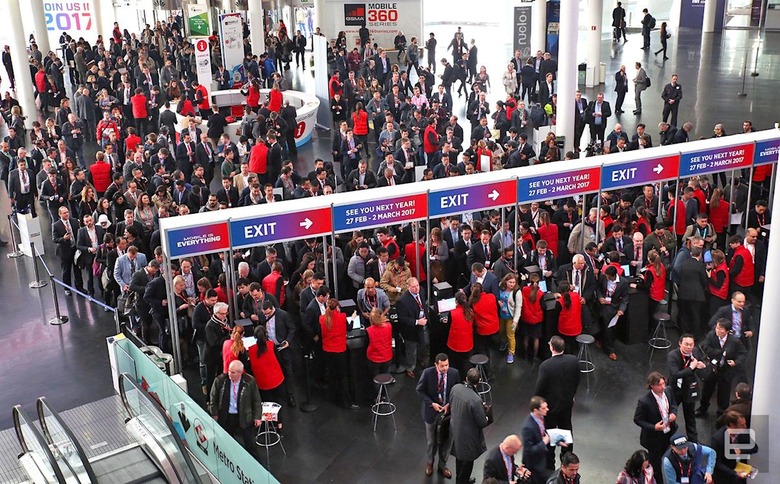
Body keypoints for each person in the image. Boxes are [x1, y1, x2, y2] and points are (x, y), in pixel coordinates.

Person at [535, 336, 579, 468]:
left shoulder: (546, 366)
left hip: (551, 407)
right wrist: (572, 395)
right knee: (566, 428)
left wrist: (537, 406)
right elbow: (577, 379)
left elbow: (540, 389)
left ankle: (550, 462)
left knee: (550, 432)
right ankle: (567, 457)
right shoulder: (573, 360)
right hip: (566, 404)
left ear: (551, 348)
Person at [415, 352, 460, 478]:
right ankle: (430, 463)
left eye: (447, 365)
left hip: (448, 414)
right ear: (436, 365)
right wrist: (431, 403)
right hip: (432, 413)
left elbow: (457, 391)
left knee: (448, 440)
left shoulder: (454, 373)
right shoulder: (427, 373)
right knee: (431, 441)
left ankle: (442, 465)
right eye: (442, 366)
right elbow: (419, 390)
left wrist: (449, 404)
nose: (445, 368)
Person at [208, 360, 262, 460]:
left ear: (240, 373)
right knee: (227, 441)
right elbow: (213, 397)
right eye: (229, 371)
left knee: (250, 443)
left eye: (233, 372)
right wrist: (214, 413)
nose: (229, 374)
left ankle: (256, 463)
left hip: (244, 416)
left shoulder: (250, 381)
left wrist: (257, 417)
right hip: (227, 416)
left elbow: (257, 400)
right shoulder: (220, 380)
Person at [697, 319, 747, 418]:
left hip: (726, 370)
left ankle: (721, 413)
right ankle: (703, 408)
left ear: (727, 331)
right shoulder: (711, 335)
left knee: (724, 393)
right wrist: (720, 352)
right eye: (717, 328)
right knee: (707, 390)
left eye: (721, 329)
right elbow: (704, 347)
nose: (718, 330)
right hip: (712, 368)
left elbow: (743, 353)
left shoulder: (734, 341)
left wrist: (736, 362)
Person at [633, 372, 678, 481]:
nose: (663, 387)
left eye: (663, 383)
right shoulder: (644, 402)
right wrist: (654, 427)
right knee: (656, 463)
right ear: (652, 385)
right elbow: (637, 419)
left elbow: (673, 404)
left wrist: (673, 413)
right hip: (654, 438)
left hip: (669, 432)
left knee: (665, 454)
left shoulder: (668, 390)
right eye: (659, 385)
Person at [449, 368, 489, 484]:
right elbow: (482, 422)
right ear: (479, 380)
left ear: (466, 379)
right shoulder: (476, 400)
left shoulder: (455, 388)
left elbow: (451, 403)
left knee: (459, 458)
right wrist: (486, 417)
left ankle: (460, 478)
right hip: (469, 437)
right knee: (467, 463)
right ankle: (463, 481)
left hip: (455, 429)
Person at [667, 334, 707, 444]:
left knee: (690, 416)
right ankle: (668, 436)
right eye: (686, 344)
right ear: (680, 344)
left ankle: (693, 440)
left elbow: (702, 360)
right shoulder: (673, 355)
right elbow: (675, 374)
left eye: (691, 344)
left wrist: (702, 364)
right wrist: (691, 367)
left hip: (689, 388)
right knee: (670, 413)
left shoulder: (695, 351)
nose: (689, 347)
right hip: (675, 389)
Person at [396, 277, 429, 379]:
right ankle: (410, 368)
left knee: (423, 345)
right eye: (414, 287)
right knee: (411, 350)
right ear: (408, 287)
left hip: (423, 325)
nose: (417, 288)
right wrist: (417, 322)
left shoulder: (421, 291)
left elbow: (423, 305)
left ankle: (421, 360)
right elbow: (403, 319)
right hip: (411, 330)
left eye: (417, 285)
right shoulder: (402, 301)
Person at [711, 411, 757, 483]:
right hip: (725, 477)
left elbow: (754, 448)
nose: (745, 427)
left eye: (745, 424)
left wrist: (741, 451)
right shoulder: (718, 439)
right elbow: (717, 463)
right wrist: (734, 473)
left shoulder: (742, 433)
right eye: (742, 425)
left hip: (740, 473)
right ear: (732, 425)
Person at [522, 396, 553, 483]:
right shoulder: (528, 427)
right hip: (535, 465)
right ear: (536, 410)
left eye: (546, 407)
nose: (547, 409)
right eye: (543, 408)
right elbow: (529, 451)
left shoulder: (541, 417)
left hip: (543, 459)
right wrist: (544, 442)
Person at [52, 206, 83, 295]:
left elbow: (79, 233)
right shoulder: (56, 225)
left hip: (75, 249)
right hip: (64, 252)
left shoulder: (74, 221)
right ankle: (67, 288)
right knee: (66, 270)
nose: (67, 214)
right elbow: (54, 239)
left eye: (67, 212)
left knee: (77, 269)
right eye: (64, 213)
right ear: (60, 214)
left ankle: (79, 287)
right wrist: (63, 238)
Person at [498, 274, 522, 363]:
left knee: (510, 335)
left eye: (513, 282)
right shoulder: (501, 287)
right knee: (501, 330)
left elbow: (518, 307)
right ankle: (504, 341)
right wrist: (498, 302)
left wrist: (515, 321)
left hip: (511, 317)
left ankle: (511, 353)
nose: (512, 284)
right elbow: (497, 295)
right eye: (510, 282)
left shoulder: (517, 292)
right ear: (506, 281)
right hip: (501, 315)